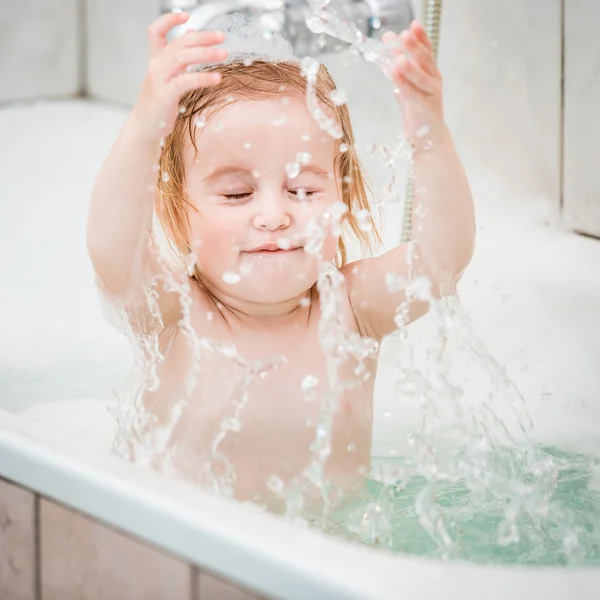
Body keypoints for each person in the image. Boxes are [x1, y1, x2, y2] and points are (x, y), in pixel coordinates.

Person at [86, 12, 475, 501]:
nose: (273, 215)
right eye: (236, 194)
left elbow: (444, 261)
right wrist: (144, 129)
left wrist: (430, 137)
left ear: (344, 199)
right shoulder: (174, 313)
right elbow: (111, 250)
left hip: (326, 559)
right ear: (179, 214)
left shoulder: (352, 309)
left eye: (303, 189)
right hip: (191, 562)